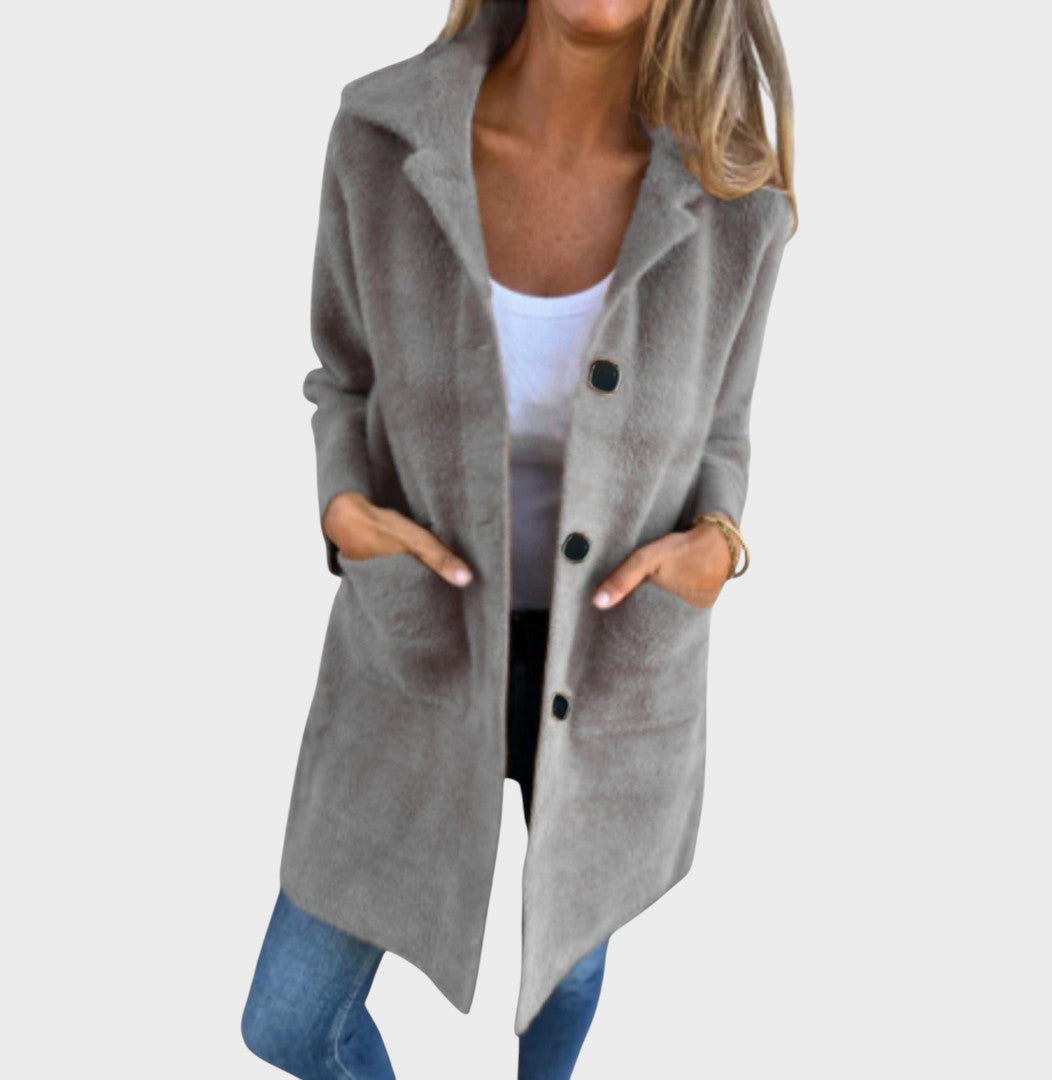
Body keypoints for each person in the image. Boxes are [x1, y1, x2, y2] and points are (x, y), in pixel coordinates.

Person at [241, 1, 795, 1076]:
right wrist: (341, 507)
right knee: (292, 1018)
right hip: (419, 640)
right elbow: (343, 376)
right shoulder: (382, 136)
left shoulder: (736, 195)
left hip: (618, 660)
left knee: (565, 975)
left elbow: (724, 429)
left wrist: (720, 543)